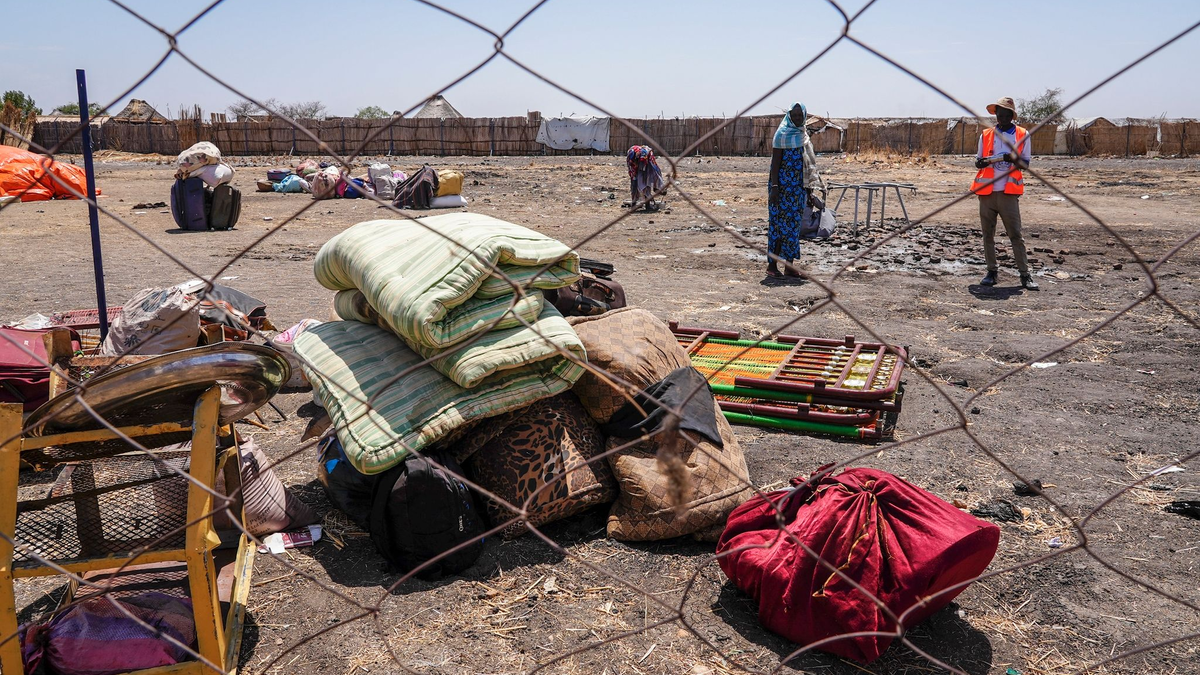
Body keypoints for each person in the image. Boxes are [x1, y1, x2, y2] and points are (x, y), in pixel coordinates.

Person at [972, 96, 1038, 290]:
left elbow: (1025, 164)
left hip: (1009, 193)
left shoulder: (1022, 134)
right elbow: (978, 161)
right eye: (997, 114)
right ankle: (992, 272)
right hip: (987, 192)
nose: (1000, 117)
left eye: (1004, 114)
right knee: (987, 235)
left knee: (1015, 235)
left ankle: (1025, 275)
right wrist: (984, 161)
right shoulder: (986, 135)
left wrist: (1012, 159)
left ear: (1011, 115)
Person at [767, 103, 826, 278]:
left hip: (798, 190)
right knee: (778, 226)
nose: (798, 118)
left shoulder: (803, 136)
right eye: (795, 115)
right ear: (789, 116)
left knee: (793, 227)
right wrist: (775, 188)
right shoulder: (781, 135)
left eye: (801, 116)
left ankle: (789, 266)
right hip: (781, 189)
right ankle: (772, 266)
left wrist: (808, 191)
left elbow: (807, 166)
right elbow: (775, 165)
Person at [627, 145, 664, 211]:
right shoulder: (633, 158)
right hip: (636, 163)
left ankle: (643, 204)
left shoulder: (648, 159)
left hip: (644, 165)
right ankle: (637, 204)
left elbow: (653, 170)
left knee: (644, 183)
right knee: (637, 183)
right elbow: (634, 170)